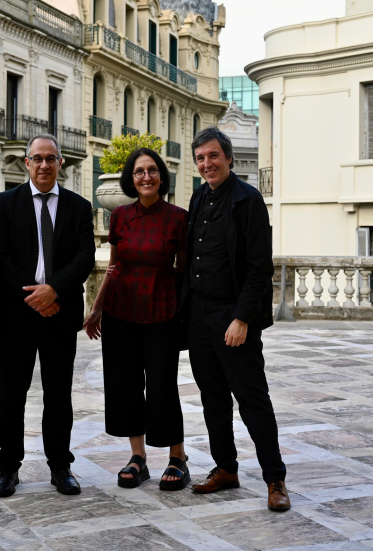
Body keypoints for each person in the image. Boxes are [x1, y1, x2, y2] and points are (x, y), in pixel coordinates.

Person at [181, 127, 291, 512]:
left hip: (233, 315)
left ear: (227, 157)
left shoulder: (248, 200)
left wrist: (242, 318)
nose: (207, 164)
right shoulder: (198, 197)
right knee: (212, 399)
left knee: (252, 399)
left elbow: (260, 267)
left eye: (213, 156)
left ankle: (275, 479)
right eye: (200, 159)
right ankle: (225, 468)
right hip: (200, 314)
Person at [0, 134, 95, 497]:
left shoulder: (79, 207)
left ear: (60, 163)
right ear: (27, 162)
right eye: (38, 158)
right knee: (11, 394)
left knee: (58, 394)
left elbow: (84, 257)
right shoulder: (6, 202)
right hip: (17, 312)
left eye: (51, 158)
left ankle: (60, 466)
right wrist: (36, 296)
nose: (45, 165)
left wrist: (55, 291)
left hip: (60, 313)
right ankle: (8, 468)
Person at [84, 148, 190, 491]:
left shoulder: (178, 217)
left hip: (162, 312)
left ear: (162, 175)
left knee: (162, 386)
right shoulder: (120, 217)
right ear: (131, 178)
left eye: (152, 170)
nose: (146, 177)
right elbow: (113, 267)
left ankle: (177, 457)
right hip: (121, 312)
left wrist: (183, 313)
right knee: (125, 386)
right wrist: (97, 307)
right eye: (139, 172)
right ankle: (137, 457)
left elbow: (184, 271)